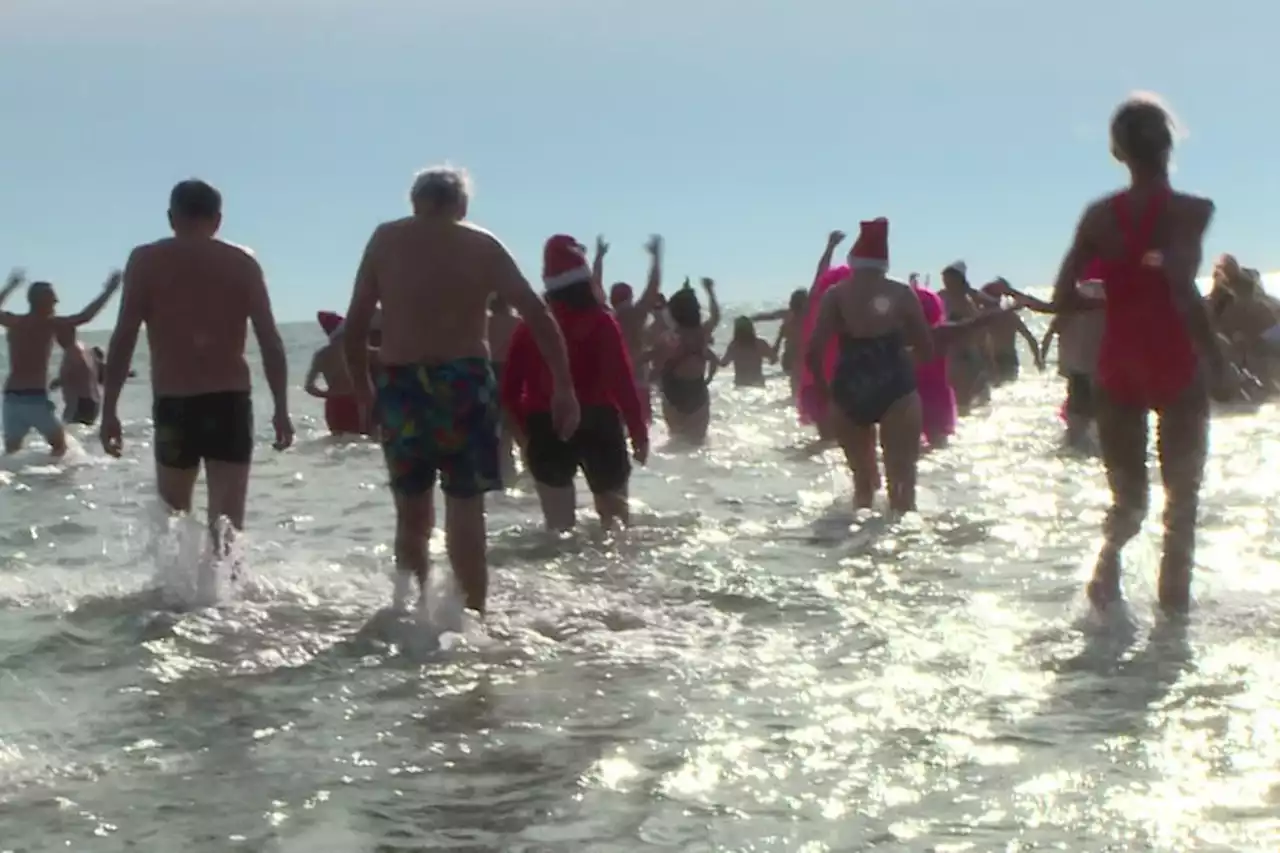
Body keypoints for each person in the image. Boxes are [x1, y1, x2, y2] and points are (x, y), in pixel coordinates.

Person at [340, 165, 579, 616]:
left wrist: (363, 393)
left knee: (412, 514)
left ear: (415, 202)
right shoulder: (481, 244)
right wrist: (563, 386)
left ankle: (412, 618)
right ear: (461, 206)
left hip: (402, 385)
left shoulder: (385, 240)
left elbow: (354, 329)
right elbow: (537, 314)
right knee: (466, 513)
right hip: (464, 386)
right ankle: (471, 622)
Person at [1045, 94, 1226, 613]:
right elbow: (1180, 289)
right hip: (1175, 364)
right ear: (1169, 144)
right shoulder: (1194, 211)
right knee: (1181, 505)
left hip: (1118, 366)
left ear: (1117, 152)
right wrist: (1217, 361)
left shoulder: (1100, 217)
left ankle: (1106, 574)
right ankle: (1172, 626)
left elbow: (1064, 294)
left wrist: (1114, 293)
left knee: (1128, 502)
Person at [100, 178, 294, 560]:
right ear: (218, 219)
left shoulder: (145, 261)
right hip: (230, 401)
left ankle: (175, 608)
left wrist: (109, 412)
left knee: (173, 515)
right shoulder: (242, 262)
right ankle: (224, 609)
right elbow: (270, 341)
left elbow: (123, 338)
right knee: (228, 522)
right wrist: (281, 409)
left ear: (172, 217)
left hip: (176, 402)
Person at [501, 235, 649, 532]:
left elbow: (508, 390)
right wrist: (638, 433)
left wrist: (524, 435)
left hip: (546, 424)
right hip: (599, 422)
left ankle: (558, 581)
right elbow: (622, 382)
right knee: (617, 527)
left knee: (558, 531)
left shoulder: (531, 326)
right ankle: (620, 579)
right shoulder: (602, 322)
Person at [807, 218, 932, 512]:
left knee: (863, 485)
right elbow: (927, 348)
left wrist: (826, 392)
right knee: (902, 485)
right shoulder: (902, 293)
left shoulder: (835, 295)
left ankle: (857, 545)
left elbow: (814, 351)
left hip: (849, 382)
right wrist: (900, 364)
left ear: (853, 259)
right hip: (895, 381)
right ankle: (903, 550)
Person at [1, 268, 122, 455]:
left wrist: (9, 287)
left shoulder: (15, 323)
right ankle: (53, 482)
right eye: (52, 297)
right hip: (35, 399)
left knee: (11, 453)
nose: (57, 301)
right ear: (41, 300)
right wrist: (109, 290)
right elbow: (85, 316)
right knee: (60, 447)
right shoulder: (49, 324)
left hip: (11, 399)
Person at [650, 278, 720, 443]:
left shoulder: (671, 335)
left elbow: (658, 363)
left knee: (676, 441)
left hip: (672, 389)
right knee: (698, 443)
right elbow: (716, 316)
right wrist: (710, 291)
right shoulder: (702, 334)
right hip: (697, 389)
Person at [304, 310, 380, 436]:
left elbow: (309, 386)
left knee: (337, 445)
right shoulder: (358, 349)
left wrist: (328, 394)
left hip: (334, 405)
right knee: (364, 443)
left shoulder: (321, 355)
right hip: (357, 402)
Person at [487, 294, 522, 483]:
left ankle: (505, 474)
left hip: (491, 371)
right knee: (517, 424)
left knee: (498, 427)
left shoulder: (487, 322)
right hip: (515, 370)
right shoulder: (517, 322)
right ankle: (528, 473)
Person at [719, 316, 778, 387]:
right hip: (757, 382)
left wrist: (714, 357)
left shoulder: (734, 346)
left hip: (741, 384)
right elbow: (774, 360)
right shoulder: (760, 344)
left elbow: (723, 364)